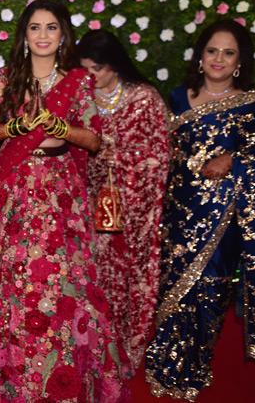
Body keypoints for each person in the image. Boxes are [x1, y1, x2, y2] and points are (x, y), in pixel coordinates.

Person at [0, 0, 128, 403]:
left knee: (65, 284)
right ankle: (9, 370)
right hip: (14, 191)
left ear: (62, 34)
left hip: (61, 194)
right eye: (35, 27)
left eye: (51, 27)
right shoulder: (7, 79)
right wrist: (17, 125)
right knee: (10, 281)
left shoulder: (77, 82)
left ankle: (60, 371)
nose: (44, 35)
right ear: (25, 35)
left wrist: (62, 127)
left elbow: (95, 139)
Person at [145, 19, 255, 401]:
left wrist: (236, 159)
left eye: (228, 53)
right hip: (178, 213)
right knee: (171, 289)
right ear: (200, 56)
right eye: (212, 51)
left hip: (224, 220)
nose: (219, 59)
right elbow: (162, 154)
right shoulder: (178, 98)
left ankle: (194, 368)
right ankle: (162, 365)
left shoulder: (251, 107)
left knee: (209, 291)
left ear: (239, 62)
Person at [76, 29, 170, 373]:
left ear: (114, 65)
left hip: (132, 209)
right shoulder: (80, 101)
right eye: (84, 68)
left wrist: (113, 154)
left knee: (126, 277)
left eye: (96, 69)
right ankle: (91, 350)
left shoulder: (144, 99)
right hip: (87, 206)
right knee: (89, 277)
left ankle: (122, 352)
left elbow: (160, 155)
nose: (90, 76)